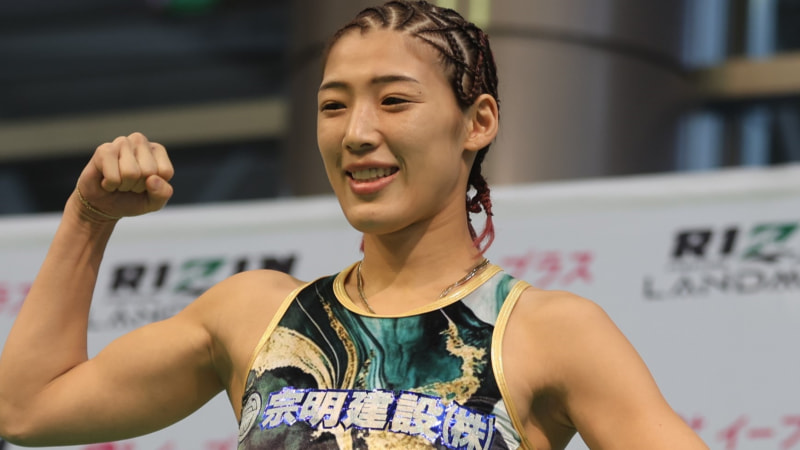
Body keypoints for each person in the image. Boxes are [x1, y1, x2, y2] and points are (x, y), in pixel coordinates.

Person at [0, 1, 709, 449]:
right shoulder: (255, 314)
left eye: (394, 101)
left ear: (478, 122)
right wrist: (88, 217)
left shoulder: (548, 332)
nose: (357, 133)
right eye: (333, 106)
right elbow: (26, 410)